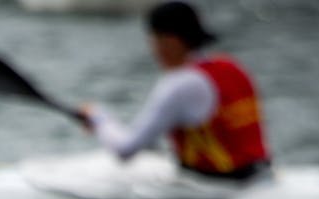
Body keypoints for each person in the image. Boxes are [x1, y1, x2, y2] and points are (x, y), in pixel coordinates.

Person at [83, 1, 271, 181]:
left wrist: (98, 118)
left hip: (217, 183)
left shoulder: (179, 83)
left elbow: (125, 149)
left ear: (171, 42)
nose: (153, 49)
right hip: (259, 173)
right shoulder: (232, 66)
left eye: (154, 40)